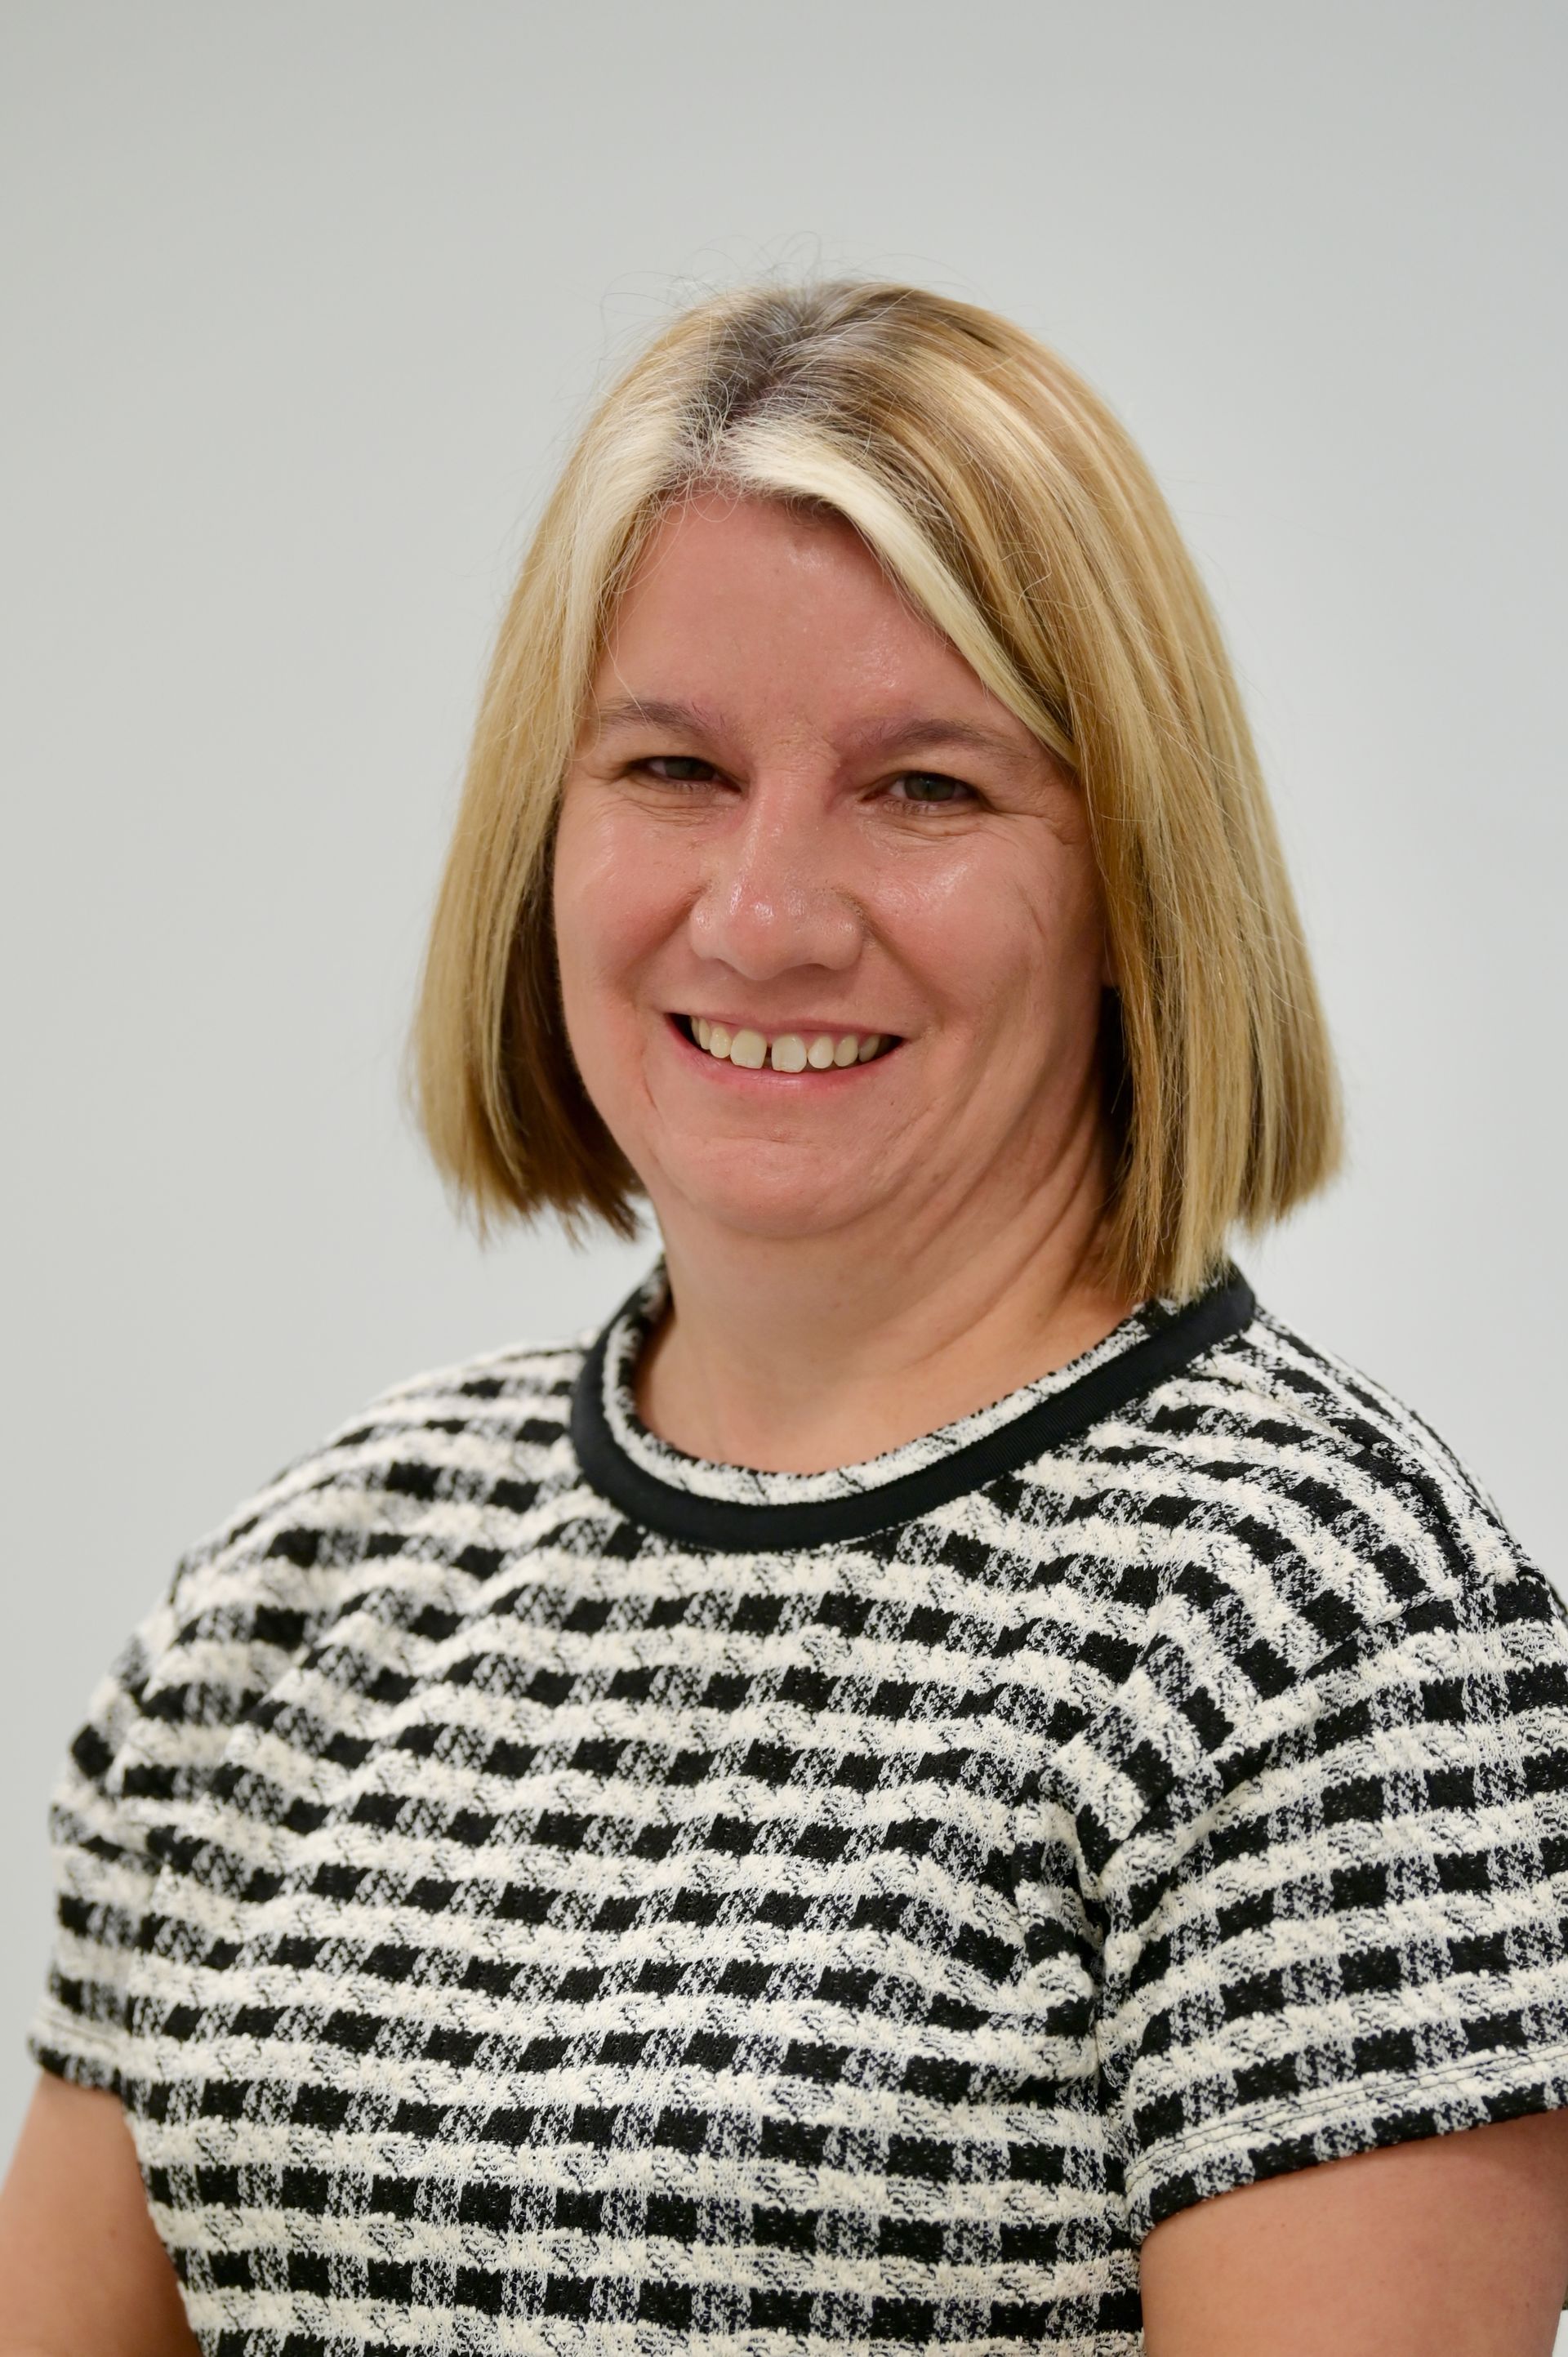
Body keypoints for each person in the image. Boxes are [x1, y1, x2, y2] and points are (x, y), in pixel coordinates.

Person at [2, 279, 1566, 2357]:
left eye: (925, 789)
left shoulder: (1331, 1644)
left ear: (1135, 888)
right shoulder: (303, 1594)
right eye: (672, 767)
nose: (762, 915)